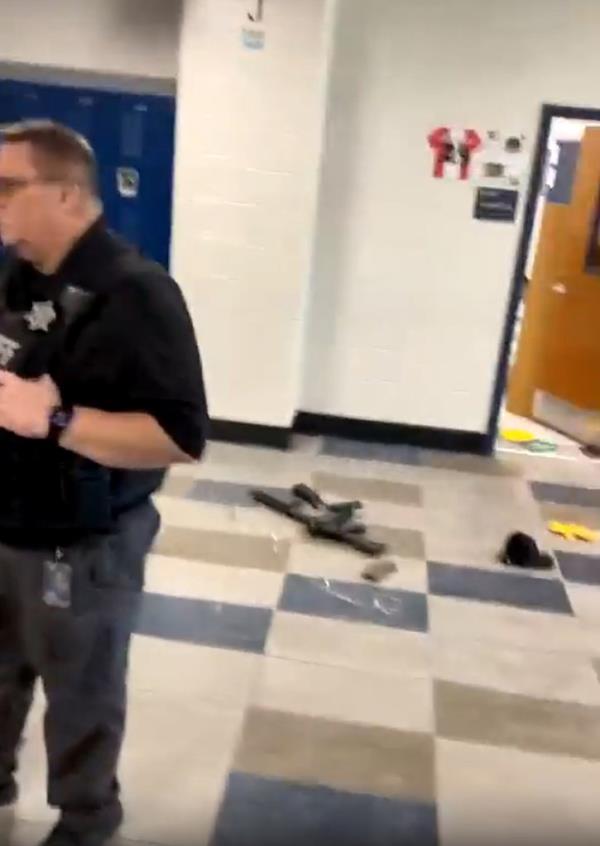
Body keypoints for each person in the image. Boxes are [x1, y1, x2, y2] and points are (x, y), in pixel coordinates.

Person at [0, 121, 208, 846]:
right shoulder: (17, 276)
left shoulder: (136, 293)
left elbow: (181, 438)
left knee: (80, 690)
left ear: (65, 192)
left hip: (81, 542)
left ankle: (87, 821)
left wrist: (55, 419)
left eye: (7, 187)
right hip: (6, 522)